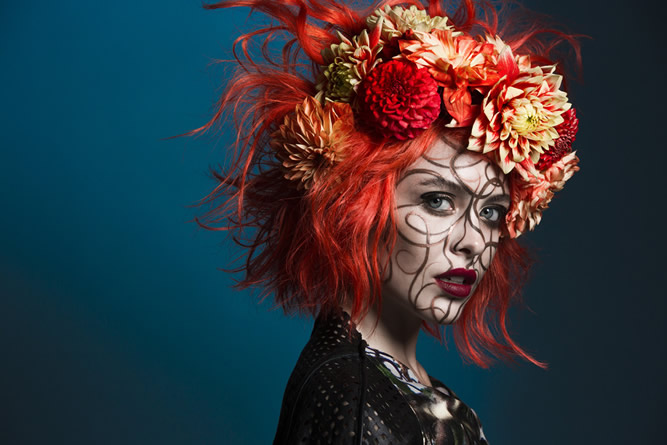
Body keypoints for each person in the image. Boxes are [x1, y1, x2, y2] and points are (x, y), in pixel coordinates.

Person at [190, 1, 581, 443]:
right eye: (438, 201)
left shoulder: (400, 390)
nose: (473, 242)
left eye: (491, 211)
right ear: (353, 204)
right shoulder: (353, 400)